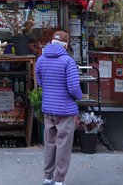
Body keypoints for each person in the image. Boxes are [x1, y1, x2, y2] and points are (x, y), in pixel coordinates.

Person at [35, 30, 82, 185]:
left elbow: (40, 82)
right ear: (66, 45)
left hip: (48, 108)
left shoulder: (41, 59)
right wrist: (80, 97)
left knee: (49, 143)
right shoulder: (67, 61)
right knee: (63, 145)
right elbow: (74, 87)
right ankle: (59, 179)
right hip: (65, 110)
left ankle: (47, 176)